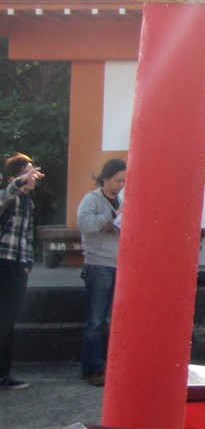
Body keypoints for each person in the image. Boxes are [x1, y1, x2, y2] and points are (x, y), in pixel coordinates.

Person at [76, 158, 126, 387]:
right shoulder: (92, 199)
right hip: (97, 263)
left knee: (109, 319)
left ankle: (107, 365)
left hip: (117, 263)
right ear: (105, 178)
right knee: (95, 320)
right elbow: (85, 225)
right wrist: (113, 215)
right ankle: (92, 367)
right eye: (117, 180)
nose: (120, 185)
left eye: (124, 181)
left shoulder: (121, 199)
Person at [0, 154, 44, 390]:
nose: (32, 178)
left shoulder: (29, 202)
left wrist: (28, 262)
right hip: (2, 262)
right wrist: (17, 184)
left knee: (8, 322)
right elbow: (4, 198)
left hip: (18, 265)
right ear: (13, 178)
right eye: (27, 174)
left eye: (33, 173)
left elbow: (26, 236)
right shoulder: (9, 196)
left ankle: (4, 374)